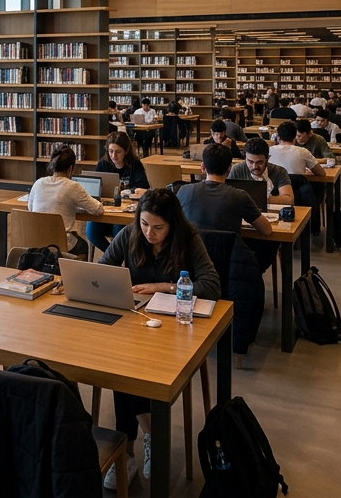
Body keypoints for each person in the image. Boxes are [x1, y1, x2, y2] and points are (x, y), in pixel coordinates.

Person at [99, 189, 220, 488]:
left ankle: (126, 449)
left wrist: (164, 286)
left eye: (158, 227)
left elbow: (212, 285)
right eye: (144, 224)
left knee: (128, 366)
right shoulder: (130, 234)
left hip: (175, 329)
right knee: (120, 361)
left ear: (172, 224)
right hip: (137, 322)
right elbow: (101, 268)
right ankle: (142, 438)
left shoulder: (188, 238)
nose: (149, 233)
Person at [176, 143, 276, 273]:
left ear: (202, 167)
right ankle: (253, 273)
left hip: (189, 261)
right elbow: (267, 230)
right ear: (229, 169)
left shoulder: (183, 191)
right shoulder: (239, 196)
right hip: (227, 266)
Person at [26, 147, 102, 254]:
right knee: (83, 246)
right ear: (71, 169)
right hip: (60, 243)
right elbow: (97, 209)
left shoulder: (38, 183)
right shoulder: (72, 186)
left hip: (36, 239)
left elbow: (30, 208)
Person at [84, 132, 148, 252]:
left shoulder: (134, 165)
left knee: (118, 230)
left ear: (126, 151)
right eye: (111, 151)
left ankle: (113, 256)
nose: (114, 156)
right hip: (105, 211)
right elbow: (95, 188)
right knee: (91, 231)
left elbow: (143, 188)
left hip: (125, 211)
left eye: (118, 152)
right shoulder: (103, 164)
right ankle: (113, 255)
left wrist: (131, 191)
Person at [227, 138, 295, 205]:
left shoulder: (279, 171)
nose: (254, 167)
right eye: (250, 162)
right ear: (245, 158)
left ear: (267, 159)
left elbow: (289, 199)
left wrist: (261, 199)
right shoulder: (237, 170)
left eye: (259, 162)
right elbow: (228, 196)